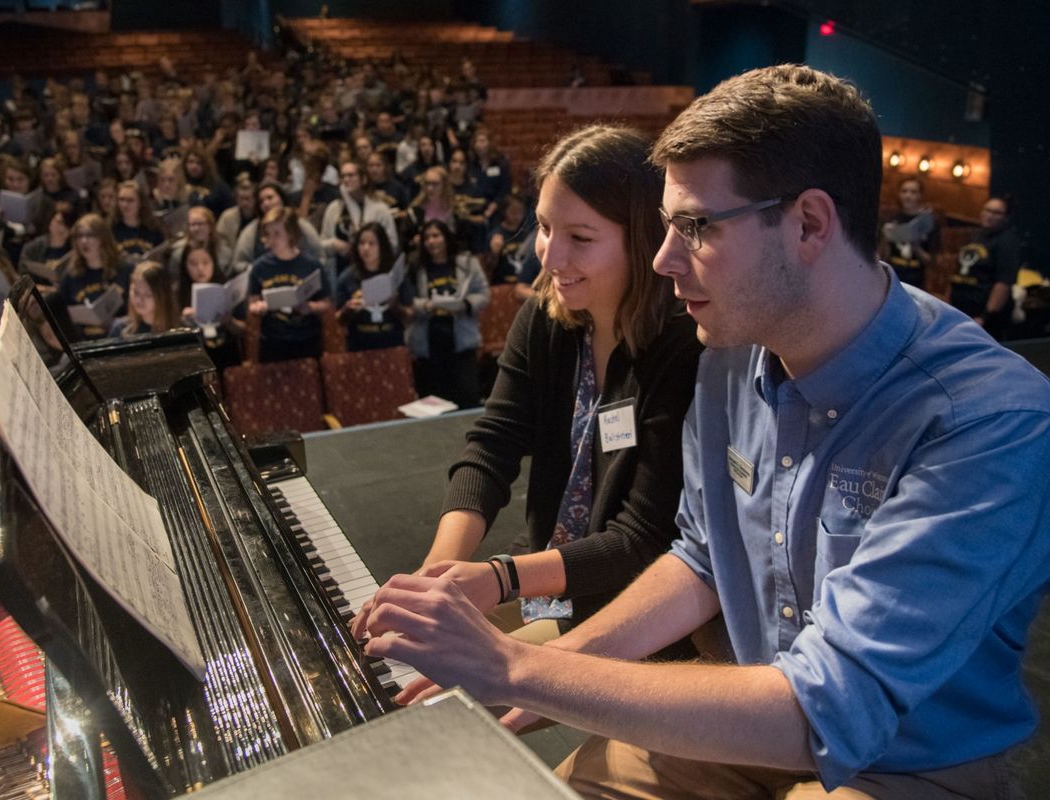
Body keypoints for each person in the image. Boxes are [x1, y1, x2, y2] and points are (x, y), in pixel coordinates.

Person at [361, 65, 1050, 800]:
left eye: (695, 227)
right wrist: (529, 685)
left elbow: (827, 707)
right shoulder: (728, 351)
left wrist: (515, 668)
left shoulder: (988, 421)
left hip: (905, 759)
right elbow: (698, 559)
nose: (662, 259)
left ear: (810, 224)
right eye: (665, 226)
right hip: (745, 701)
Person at [354, 124, 700, 646]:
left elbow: (640, 538)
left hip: (630, 603)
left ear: (643, 239)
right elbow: (493, 446)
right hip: (547, 569)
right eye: (543, 227)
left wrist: (499, 578)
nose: (551, 257)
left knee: (446, 693)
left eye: (580, 239)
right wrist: (432, 577)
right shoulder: (547, 317)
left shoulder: (680, 346)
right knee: (407, 660)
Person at [405, 219, 490, 409]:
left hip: (461, 342)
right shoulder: (415, 266)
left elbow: (484, 293)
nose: (431, 241)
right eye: (427, 238)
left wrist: (464, 304)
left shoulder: (467, 263)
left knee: (467, 398)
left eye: (436, 236)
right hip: (428, 344)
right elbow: (406, 300)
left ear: (446, 237)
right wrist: (425, 305)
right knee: (433, 405)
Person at [247, 206, 331, 363]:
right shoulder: (259, 268)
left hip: (306, 340)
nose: (271, 240)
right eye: (268, 234)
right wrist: (259, 307)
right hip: (273, 342)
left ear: (291, 234)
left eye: (277, 234)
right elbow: (252, 303)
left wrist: (310, 307)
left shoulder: (311, 265)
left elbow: (326, 303)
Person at [950, 196, 1022, 340]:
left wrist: (985, 317)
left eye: (996, 213)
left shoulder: (1007, 241)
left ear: (1005, 217)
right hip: (961, 310)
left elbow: (1003, 284)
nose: (990, 215)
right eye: (987, 210)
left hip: (982, 319)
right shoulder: (978, 235)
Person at [335, 222, 413, 352]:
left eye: (372, 243)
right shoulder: (348, 277)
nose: (366, 248)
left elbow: (411, 315)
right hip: (359, 347)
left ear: (382, 246)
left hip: (392, 345)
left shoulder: (396, 274)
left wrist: (395, 305)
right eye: (362, 243)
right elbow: (337, 318)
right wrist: (347, 309)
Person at [57, 213, 132, 339]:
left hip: (119, 339)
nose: (83, 241)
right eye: (79, 236)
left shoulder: (124, 270)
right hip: (85, 342)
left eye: (89, 235)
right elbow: (62, 316)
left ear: (103, 238)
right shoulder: (70, 276)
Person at [878, 177, 939, 289]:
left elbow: (932, 263)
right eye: (904, 191)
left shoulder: (928, 222)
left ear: (920, 196)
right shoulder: (891, 219)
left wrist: (916, 246)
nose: (908, 196)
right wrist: (885, 239)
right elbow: (883, 257)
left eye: (913, 192)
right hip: (892, 278)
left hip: (915, 281)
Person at [110, 260, 179, 338]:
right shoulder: (120, 329)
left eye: (148, 294)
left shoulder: (180, 328)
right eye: (136, 293)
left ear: (162, 295)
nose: (139, 300)